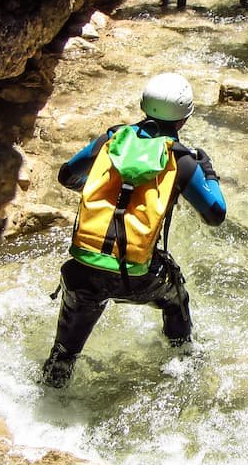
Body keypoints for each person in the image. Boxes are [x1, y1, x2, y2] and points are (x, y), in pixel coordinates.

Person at [40, 73, 227, 388]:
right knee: (174, 294)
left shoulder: (111, 139)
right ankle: (185, 362)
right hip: (138, 277)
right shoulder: (181, 161)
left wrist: (106, 197)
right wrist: (208, 171)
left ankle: (51, 388)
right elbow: (215, 215)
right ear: (184, 119)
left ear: (143, 105)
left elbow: (67, 176)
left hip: (84, 270)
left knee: (64, 353)